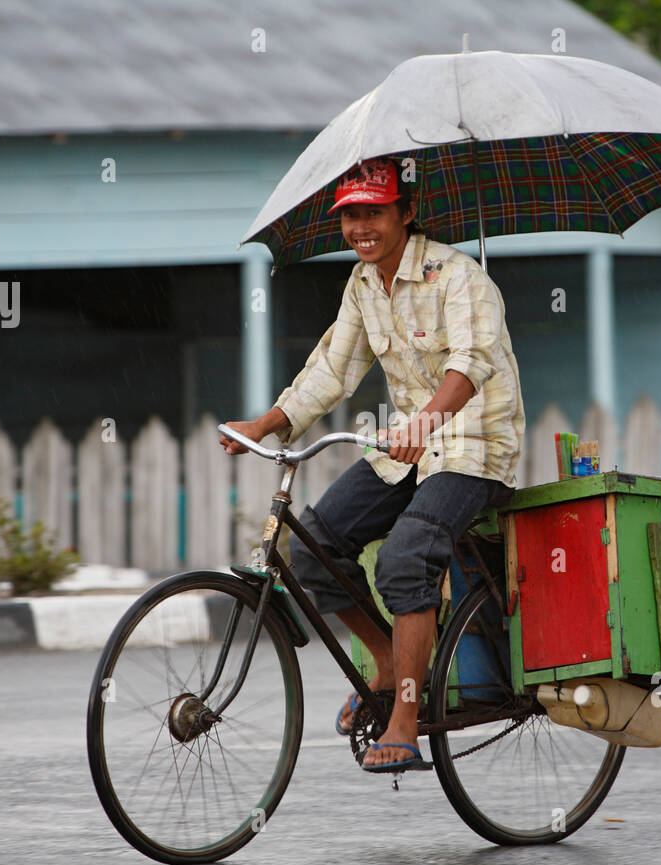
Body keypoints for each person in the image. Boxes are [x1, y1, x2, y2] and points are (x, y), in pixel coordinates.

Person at [220, 157, 526, 771]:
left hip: (474, 449)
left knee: (405, 558)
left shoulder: (460, 277)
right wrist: (266, 423)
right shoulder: (362, 286)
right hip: (406, 452)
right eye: (352, 215)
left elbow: (471, 364)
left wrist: (426, 422)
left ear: (406, 214)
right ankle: (387, 660)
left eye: (374, 213)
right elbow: (333, 369)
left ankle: (407, 720)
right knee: (313, 548)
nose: (361, 227)